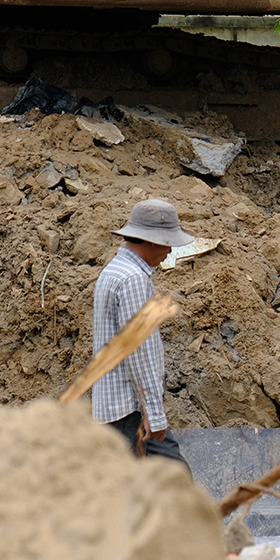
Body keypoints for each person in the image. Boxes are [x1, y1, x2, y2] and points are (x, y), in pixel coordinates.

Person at [91, 198, 193, 466]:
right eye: (166, 242)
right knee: (174, 481)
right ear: (150, 240)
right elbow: (139, 351)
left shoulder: (114, 271)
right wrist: (154, 413)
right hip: (129, 410)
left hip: (115, 407)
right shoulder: (134, 280)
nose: (170, 250)